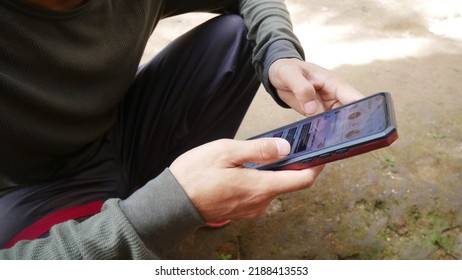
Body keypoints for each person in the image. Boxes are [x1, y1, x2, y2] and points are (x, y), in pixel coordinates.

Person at [0, 0, 363, 259]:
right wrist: (164, 209)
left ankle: (182, 191)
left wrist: (279, 54)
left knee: (235, 35)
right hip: (29, 193)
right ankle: (173, 200)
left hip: (116, 134)